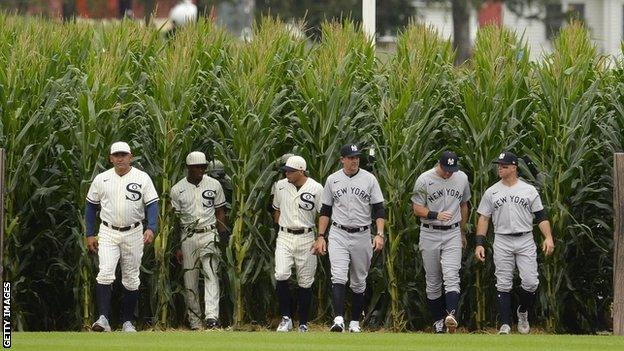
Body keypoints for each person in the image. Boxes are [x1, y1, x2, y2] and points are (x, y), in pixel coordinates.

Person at [474, 151, 555, 335]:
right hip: (502, 239)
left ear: (514, 168)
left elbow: (541, 216)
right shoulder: (492, 191)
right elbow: (484, 218)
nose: (500, 168)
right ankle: (505, 324)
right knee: (503, 283)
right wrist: (479, 243)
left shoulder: (528, 190)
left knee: (531, 282)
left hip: (525, 238)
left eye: (503, 166)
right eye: (499, 165)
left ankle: (523, 311)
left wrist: (548, 237)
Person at [86, 141, 159, 332]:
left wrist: (151, 227)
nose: (120, 158)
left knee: (131, 277)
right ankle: (103, 319)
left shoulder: (142, 178)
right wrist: (89, 233)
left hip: (134, 232)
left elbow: (152, 204)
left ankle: (128, 322)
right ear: (110, 158)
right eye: (116, 155)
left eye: (123, 155)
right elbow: (91, 206)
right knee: (105, 273)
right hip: (108, 231)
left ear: (130, 157)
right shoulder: (102, 179)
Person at [312, 143, 385, 333]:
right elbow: (325, 210)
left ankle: (354, 322)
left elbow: (379, 208)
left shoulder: (369, 179)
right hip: (338, 233)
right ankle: (338, 320)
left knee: (359, 281)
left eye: (357, 157)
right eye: (351, 157)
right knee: (338, 275)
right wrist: (321, 236)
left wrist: (379, 234)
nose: (354, 161)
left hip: (362, 234)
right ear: (342, 159)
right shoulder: (332, 179)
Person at [411, 151, 470, 333]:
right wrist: (435, 214)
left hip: (452, 232)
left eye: (451, 170)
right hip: (430, 232)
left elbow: (464, 204)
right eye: (445, 170)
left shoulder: (461, 178)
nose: (448, 173)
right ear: (439, 164)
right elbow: (416, 208)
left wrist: (462, 231)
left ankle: (451, 315)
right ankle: (438, 321)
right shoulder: (424, 179)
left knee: (452, 275)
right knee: (433, 280)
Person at [171, 151, 227, 330]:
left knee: (211, 274)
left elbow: (220, 212)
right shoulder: (177, 189)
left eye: (203, 167)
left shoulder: (214, 185)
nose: (201, 170)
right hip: (188, 236)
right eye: (197, 167)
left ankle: (212, 318)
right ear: (188, 167)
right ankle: (195, 321)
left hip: (210, 233)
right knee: (190, 280)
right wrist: (176, 246)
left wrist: (222, 236)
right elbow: (174, 220)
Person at [272, 156, 323, 333]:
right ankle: (286, 318)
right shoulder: (280, 185)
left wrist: (320, 238)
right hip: (285, 235)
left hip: (306, 237)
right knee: (281, 273)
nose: (287, 173)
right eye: (285, 170)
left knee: (305, 281)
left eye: (290, 171)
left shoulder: (316, 188)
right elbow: (276, 210)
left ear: (301, 170)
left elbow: (322, 215)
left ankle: (303, 323)